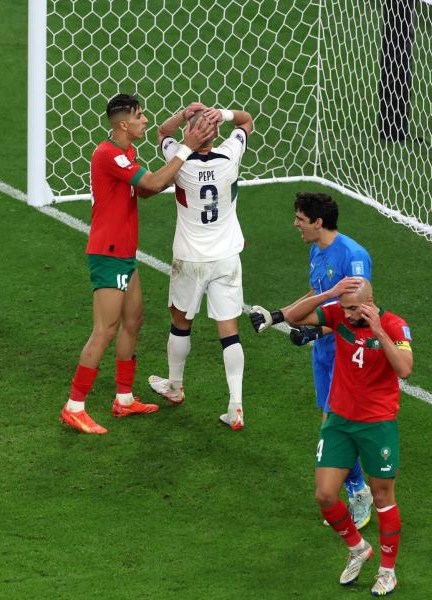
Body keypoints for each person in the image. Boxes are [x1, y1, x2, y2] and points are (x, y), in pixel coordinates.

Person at [60, 94, 215, 435]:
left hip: (124, 253)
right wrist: (186, 148)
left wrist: (181, 132)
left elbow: (144, 190)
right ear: (123, 124)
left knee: (134, 320)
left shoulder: (125, 153)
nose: (145, 120)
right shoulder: (108, 154)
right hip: (108, 252)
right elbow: (153, 183)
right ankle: (74, 406)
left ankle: (124, 398)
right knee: (105, 329)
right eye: (139, 115)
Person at [276, 276, 410, 596]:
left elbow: (405, 368)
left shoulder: (394, 325)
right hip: (339, 421)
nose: (347, 315)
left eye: (353, 309)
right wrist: (331, 294)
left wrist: (378, 330)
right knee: (325, 495)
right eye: (345, 308)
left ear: (370, 301)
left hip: (377, 424)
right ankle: (358, 548)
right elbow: (293, 316)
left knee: (381, 498)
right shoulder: (338, 312)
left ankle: (387, 571)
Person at [248, 192, 374, 529]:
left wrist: (317, 331)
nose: (296, 225)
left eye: (301, 219)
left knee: (332, 426)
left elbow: (360, 311)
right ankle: (358, 485)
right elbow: (314, 294)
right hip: (324, 356)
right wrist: (280, 316)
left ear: (318, 222)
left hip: (347, 354)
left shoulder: (353, 256)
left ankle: (359, 490)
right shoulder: (316, 250)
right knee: (333, 424)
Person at [146, 103, 253, 430]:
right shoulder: (230, 156)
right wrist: (220, 113)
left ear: (191, 133)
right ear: (216, 132)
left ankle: (175, 387)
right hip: (226, 258)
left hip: (190, 258)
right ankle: (235, 406)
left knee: (180, 324)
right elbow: (247, 120)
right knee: (229, 334)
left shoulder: (178, 159)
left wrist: (182, 115)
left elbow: (161, 133)